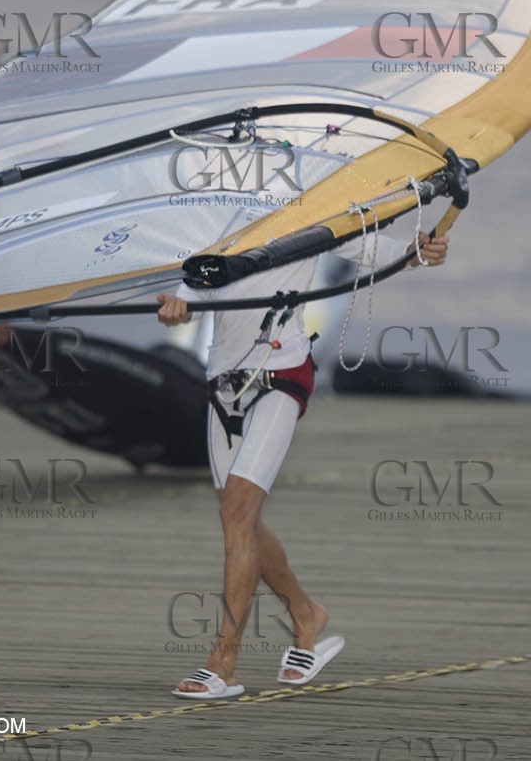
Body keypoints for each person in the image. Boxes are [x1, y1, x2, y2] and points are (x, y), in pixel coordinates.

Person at [156, 228, 450, 698]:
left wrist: (421, 248)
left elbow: (375, 249)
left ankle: (224, 663)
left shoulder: (309, 211)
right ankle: (305, 612)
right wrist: (177, 303)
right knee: (240, 518)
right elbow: (194, 280)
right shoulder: (214, 218)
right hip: (223, 382)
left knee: (237, 512)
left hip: (284, 374)